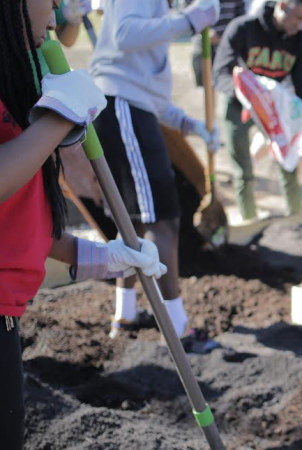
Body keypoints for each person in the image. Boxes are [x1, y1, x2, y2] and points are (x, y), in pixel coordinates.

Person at [0, 0, 168, 447]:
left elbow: (17, 216)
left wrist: (103, 256)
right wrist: (57, 119)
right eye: (49, 1)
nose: (56, 16)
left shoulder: (13, 74)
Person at [89, 0, 220, 352]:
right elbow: (124, 34)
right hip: (122, 107)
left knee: (132, 223)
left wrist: (189, 124)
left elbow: (153, 94)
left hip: (132, 107)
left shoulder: (161, 7)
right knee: (162, 220)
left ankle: (126, 315)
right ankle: (176, 329)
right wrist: (187, 23)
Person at [213, 0, 302, 221]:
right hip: (238, 103)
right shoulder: (243, 28)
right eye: (298, 18)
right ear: (282, 5)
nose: (300, 25)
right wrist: (246, 95)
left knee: (287, 158)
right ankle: (249, 218)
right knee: (243, 168)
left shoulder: (300, 42)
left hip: (275, 105)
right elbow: (220, 72)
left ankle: (297, 217)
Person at [186, 0, 249, 88]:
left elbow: (240, 15)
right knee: (205, 85)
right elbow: (187, 13)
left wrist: (229, 37)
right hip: (204, 44)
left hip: (228, 45)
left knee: (226, 83)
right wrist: (205, 32)